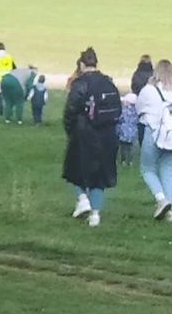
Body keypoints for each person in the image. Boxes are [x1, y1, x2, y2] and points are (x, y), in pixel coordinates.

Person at [63, 48, 119, 228]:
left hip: (84, 131)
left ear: (81, 64)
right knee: (100, 175)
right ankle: (95, 215)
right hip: (107, 133)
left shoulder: (80, 83)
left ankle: (82, 199)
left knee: (75, 169)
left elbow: (71, 109)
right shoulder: (108, 82)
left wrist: (70, 129)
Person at [136, 60, 172, 222]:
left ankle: (161, 199)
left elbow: (139, 108)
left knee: (147, 169)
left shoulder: (149, 90)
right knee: (169, 171)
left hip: (154, 133)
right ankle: (170, 211)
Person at [131, 54, 155, 146]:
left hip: (139, 98)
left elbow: (134, 86)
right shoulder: (153, 74)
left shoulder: (137, 74)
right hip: (151, 100)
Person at [118, 92, 139, 166]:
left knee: (123, 147)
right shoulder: (136, 111)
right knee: (130, 147)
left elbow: (120, 119)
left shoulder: (124, 111)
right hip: (132, 132)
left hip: (123, 131)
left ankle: (123, 160)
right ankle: (130, 161)